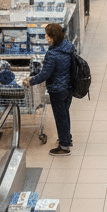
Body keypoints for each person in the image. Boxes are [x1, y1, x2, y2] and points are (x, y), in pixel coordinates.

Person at [30, 22, 74, 156]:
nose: (46, 38)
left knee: (60, 117)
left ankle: (64, 146)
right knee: (65, 114)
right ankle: (67, 138)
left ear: (52, 37)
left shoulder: (52, 54)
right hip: (68, 86)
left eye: (47, 36)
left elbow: (45, 74)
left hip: (57, 89)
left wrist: (31, 81)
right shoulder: (68, 46)